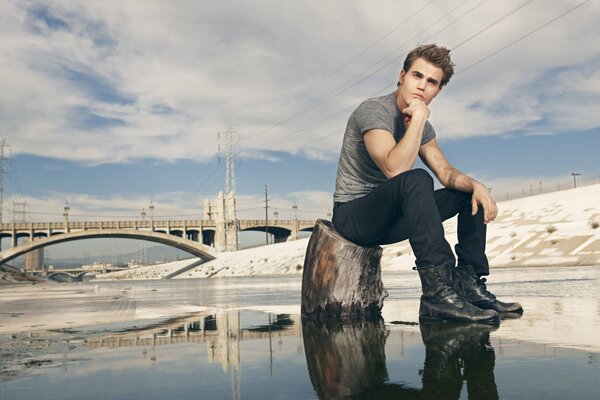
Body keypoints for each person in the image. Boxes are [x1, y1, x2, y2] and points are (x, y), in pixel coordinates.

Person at [332, 43, 522, 323]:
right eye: (417, 76)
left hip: (391, 218)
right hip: (353, 217)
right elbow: (395, 169)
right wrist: (418, 118)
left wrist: (476, 186)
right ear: (402, 77)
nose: (422, 86)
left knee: (468, 194)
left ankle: (468, 284)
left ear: (438, 91)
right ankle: (437, 293)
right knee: (417, 178)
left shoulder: (422, 126)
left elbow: (444, 172)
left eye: (431, 82)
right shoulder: (374, 111)